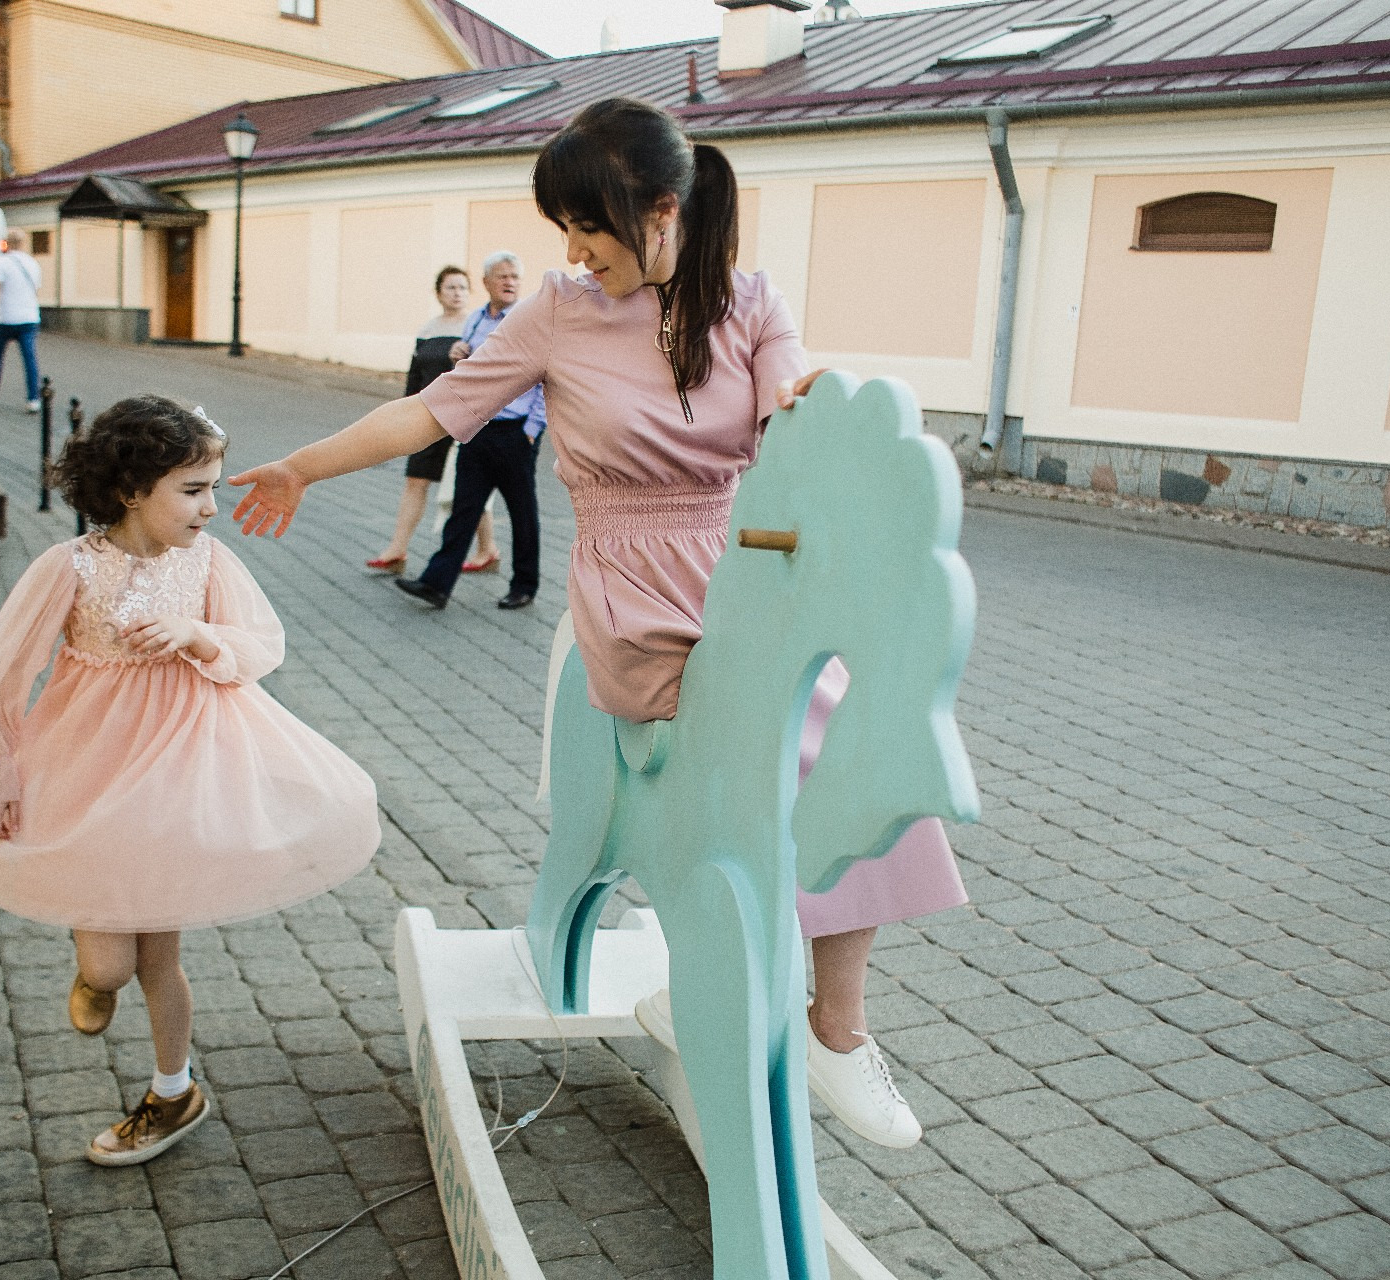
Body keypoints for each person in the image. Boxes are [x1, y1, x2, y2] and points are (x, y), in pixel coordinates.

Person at [229, 98, 966, 1148]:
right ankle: (764, 1003)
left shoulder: (748, 301)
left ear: (662, 212)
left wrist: (832, 417)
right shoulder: (558, 310)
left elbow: (792, 395)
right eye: (563, 232)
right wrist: (302, 463)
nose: (574, 253)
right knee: (763, 750)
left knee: (858, 741)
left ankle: (828, 1024)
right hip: (632, 585)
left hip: (743, 569)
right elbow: (433, 410)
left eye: (590, 230)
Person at [0, 395, 380, 1164]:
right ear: (131, 490)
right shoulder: (70, 568)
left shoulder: (210, 562)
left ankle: (173, 1089)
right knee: (108, 963)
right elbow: (8, 669)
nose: (211, 509)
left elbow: (260, 645)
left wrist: (197, 633)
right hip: (87, 768)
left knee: (158, 954)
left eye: (213, 487)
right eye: (193, 490)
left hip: (177, 772)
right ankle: (97, 978)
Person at [393, 251, 545, 611]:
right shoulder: (476, 319)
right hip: (477, 428)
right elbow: (470, 371)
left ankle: (525, 585)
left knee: (523, 513)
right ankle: (436, 584)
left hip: (515, 432)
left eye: (515, 277)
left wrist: (533, 429)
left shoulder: (528, 320)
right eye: (502, 276)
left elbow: (545, 377)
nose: (509, 282)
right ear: (487, 282)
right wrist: (458, 358)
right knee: (463, 510)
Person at [365, 265, 501, 576]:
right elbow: (415, 379)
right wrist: (403, 412)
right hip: (427, 417)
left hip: (463, 418)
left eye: (463, 288)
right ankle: (396, 550)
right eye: (451, 288)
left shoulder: (476, 326)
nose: (457, 293)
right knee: (415, 480)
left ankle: (487, 549)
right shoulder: (427, 329)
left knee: (468, 487)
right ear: (438, 293)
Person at [0, 227, 43, 412]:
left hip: (5, 318)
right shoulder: (33, 263)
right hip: (29, 318)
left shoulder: (1, 263)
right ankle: (33, 398)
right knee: (30, 359)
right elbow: (36, 291)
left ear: (7, 243)